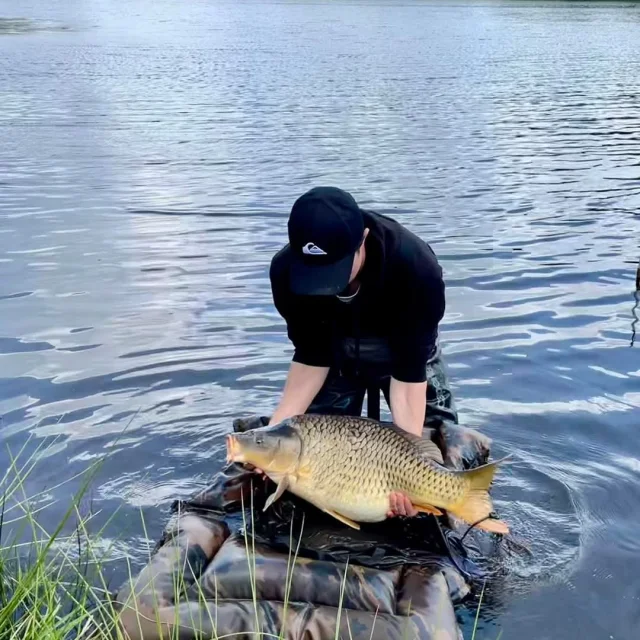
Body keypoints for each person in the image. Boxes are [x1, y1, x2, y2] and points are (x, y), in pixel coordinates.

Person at [266, 186, 458, 518]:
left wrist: (406, 473)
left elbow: (410, 373)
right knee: (320, 451)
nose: (328, 286)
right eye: (316, 275)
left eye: (336, 271)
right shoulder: (285, 273)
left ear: (363, 240)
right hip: (335, 351)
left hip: (408, 352)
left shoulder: (416, 268)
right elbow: (312, 353)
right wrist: (275, 433)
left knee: (439, 454)